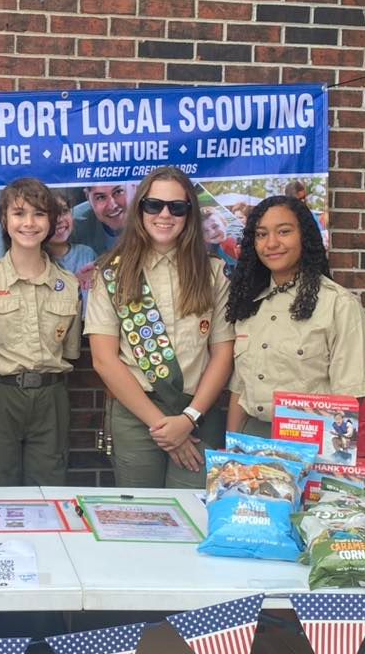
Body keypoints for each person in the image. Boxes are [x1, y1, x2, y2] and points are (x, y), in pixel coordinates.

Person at [86, 166, 234, 488]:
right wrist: (165, 429)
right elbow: (103, 360)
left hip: (197, 413)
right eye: (154, 205)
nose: (164, 214)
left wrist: (188, 420)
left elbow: (223, 353)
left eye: (176, 207)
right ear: (140, 210)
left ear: (189, 214)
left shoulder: (213, 273)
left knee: (194, 516)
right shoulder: (112, 274)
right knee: (141, 519)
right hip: (138, 415)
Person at [0, 178, 82, 486]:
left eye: (40, 214)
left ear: (52, 221)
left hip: (51, 396)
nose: (29, 223)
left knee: (50, 483)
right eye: (19, 213)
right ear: (4, 220)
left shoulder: (68, 285)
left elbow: (69, 351)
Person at [225, 195, 365, 437]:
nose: (271, 243)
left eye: (284, 232)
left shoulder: (338, 304)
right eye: (261, 234)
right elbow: (239, 391)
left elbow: (352, 398)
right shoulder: (250, 306)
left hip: (313, 442)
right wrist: (231, 449)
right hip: (252, 439)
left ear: (305, 235)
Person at [46, 191, 97, 305]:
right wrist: (74, 282)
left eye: (64, 211)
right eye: (51, 214)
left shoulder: (86, 254)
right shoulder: (35, 260)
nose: (59, 220)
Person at [70, 184, 128, 255]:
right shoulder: (73, 224)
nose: (112, 206)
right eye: (101, 197)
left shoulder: (144, 213)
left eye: (118, 192)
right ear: (88, 197)